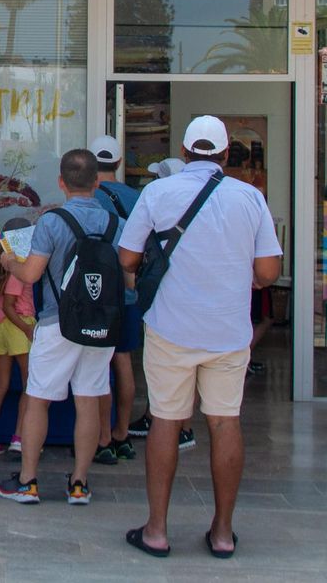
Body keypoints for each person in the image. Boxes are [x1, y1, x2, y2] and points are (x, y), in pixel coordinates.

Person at [117, 116, 282, 560]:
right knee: (225, 421)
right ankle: (223, 533)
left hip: (171, 327)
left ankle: (156, 530)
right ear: (226, 155)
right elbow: (268, 273)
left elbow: (128, 257)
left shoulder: (158, 192)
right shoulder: (250, 198)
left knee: (166, 421)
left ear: (185, 152)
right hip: (228, 331)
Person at [0, 149, 117, 505]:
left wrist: (9, 263)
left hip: (57, 322)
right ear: (97, 181)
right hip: (100, 325)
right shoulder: (114, 222)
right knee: (88, 400)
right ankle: (79, 484)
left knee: (38, 400)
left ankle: (28, 481)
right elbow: (127, 277)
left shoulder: (52, 222)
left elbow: (32, 274)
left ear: (61, 182)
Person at [126, 155, 196, 451]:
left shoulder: (157, 203)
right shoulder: (202, 207)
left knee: (164, 367)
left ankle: (169, 424)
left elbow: (130, 256)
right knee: (189, 367)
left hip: (165, 298)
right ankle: (179, 426)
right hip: (191, 299)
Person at [88, 135, 142, 465]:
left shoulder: (87, 197)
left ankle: (103, 438)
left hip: (96, 293)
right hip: (128, 291)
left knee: (97, 366)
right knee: (123, 363)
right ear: (119, 163)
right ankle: (123, 432)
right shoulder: (136, 198)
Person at [0, 218, 33, 455]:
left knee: (0, 384)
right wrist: (27, 329)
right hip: (19, 326)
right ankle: (19, 437)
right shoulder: (18, 266)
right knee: (29, 385)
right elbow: (11, 305)